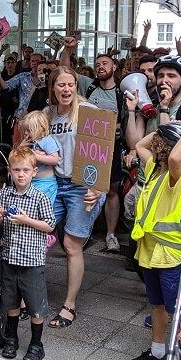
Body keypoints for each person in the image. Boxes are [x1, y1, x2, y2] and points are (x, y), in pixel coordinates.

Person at [124, 117, 181, 360]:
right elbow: (139, 146)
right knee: (157, 305)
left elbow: (176, 159)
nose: (157, 146)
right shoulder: (155, 170)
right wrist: (162, 129)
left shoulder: (179, 176)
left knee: (175, 308)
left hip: (169, 253)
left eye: (163, 144)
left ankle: (179, 357)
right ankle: (157, 353)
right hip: (150, 250)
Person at [43, 66, 104, 329]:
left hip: (83, 186)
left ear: (75, 87)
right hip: (55, 183)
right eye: (61, 85)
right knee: (38, 235)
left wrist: (98, 187)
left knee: (71, 244)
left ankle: (69, 305)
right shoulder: (47, 113)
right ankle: (27, 297)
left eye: (70, 85)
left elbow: (102, 151)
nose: (66, 89)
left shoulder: (89, 110)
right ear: (53, 88)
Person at [61, 36, 126, 253]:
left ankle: (110, 234)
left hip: (111, 147)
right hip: (86, 148)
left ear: (114, 67)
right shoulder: (88, 86)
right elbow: (64, 70)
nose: (100, 67)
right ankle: (82, 231)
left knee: (111, 190)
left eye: (105, 63)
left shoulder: (121, 93)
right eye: (97, 64)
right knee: (84, 188)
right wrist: (68, 50)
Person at [0, 146, 56, 360]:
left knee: (35, 305)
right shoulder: (4, 193)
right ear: (9, 171)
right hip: (10, 257)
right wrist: (0, 217)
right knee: (11, 302)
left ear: (34, 172)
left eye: (25, 170)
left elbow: (50, 226)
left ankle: (36, 344)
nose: (21, 174)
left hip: (32, 261)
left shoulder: (39, 197)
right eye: (16, 170)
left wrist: (26, 220)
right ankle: (11, 338)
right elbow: (0, 223)